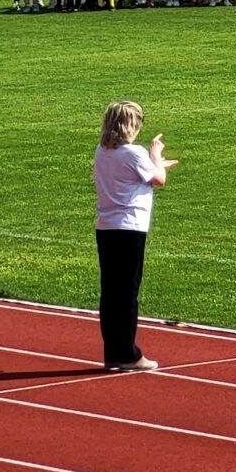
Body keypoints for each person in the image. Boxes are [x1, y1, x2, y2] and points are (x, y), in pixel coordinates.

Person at [93, 100, 176, 373]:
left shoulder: (102, 151)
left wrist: (154, 165)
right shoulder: (135, 153)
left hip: (106, 226)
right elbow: (159, 180)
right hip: (129, 227)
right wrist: (156, 155)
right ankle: (129, 354)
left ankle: (113, 352)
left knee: (111, 293)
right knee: (127, 294)